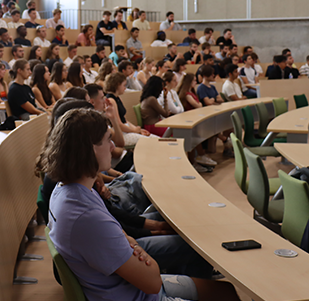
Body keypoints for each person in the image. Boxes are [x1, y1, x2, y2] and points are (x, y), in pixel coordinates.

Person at [41, 108, 239, 301]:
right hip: (139, 293)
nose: (113, 146)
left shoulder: (66, 190)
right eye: (107, 140)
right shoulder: (86, 217)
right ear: (90, 150)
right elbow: (152, 282)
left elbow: (120, 234)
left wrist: (130, 243)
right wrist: (138, 249)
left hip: (126, 287)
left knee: (226, 291)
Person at [105, 72, 151, 145]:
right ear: (117, 85)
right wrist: (135, 131)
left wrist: (137, 129)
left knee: (153, 137)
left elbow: (124, 119)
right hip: (121, 133)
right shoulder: (111, 100)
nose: (125, 88)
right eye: (124, 85)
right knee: (150, 141)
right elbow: (119, 124)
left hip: (126, 129)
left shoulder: (118, 98)